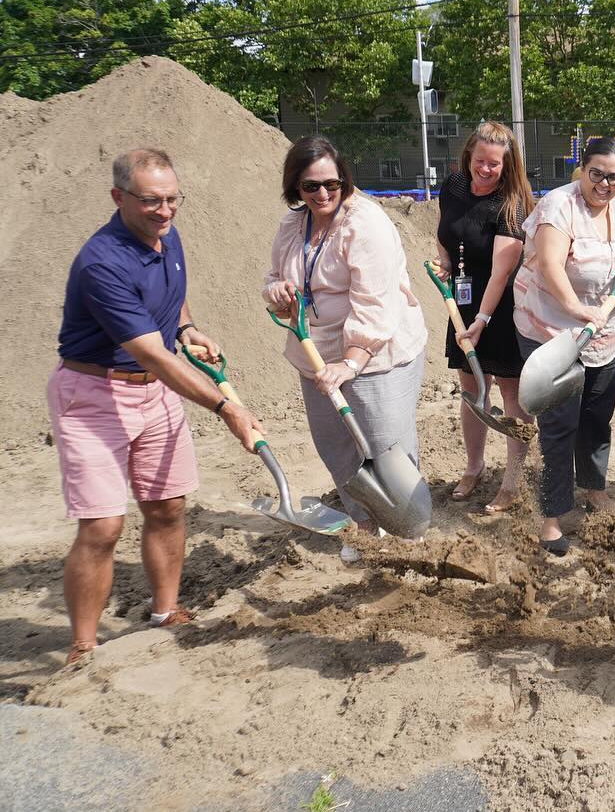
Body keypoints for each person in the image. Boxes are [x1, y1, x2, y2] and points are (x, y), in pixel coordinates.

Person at [51, 149, 265, 665]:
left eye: (171, 200)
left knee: (167, 506)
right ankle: (83, 644)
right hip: (94, 395)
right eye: (151, 201)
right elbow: (152, 353)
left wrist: (187, 328)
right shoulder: (101, 262)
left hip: (154, 393)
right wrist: (226, 408)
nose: (164, 211)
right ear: (118, 197)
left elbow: (174, 299)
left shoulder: (166, 237)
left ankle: (164, 611)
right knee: (102, 526)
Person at [262, 136, 429, 560]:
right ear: (294, 188)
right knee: (336, 445)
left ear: (345, 182)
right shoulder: (291, 225)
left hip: (377, 353)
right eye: (310, 186)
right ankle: (366, 526)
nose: (322, 194)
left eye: (332, 185)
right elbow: (271, 278)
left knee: (384, 445)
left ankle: (410, 534)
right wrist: (277, 292)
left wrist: (352, 362)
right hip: (316, 353)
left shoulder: (365, 225)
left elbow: (375, 304)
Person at [505, 137, 615, 556]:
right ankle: (551, 515)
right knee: (559, 424)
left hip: (606, 333)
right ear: (581, 170)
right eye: (596, 173)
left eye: (613, 176)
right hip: (552, 331)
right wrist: (575, 309)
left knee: (596, 417)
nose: (604, 183)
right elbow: (549, 265)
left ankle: (593, 486)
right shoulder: (557, 206)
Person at [433, 122, 535, 512]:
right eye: (480, 161)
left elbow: (500, 273)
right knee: (472, 388)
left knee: (510, 391)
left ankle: (512, 480)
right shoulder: (454, 187)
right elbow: (445, 231)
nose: (486, 170)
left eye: (494, 164)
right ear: (469, 156)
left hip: (503, 308)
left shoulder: (512, 204)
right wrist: (444, 262)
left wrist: (482, 320)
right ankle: (474, 467)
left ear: (507, 166)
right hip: (462, 299)